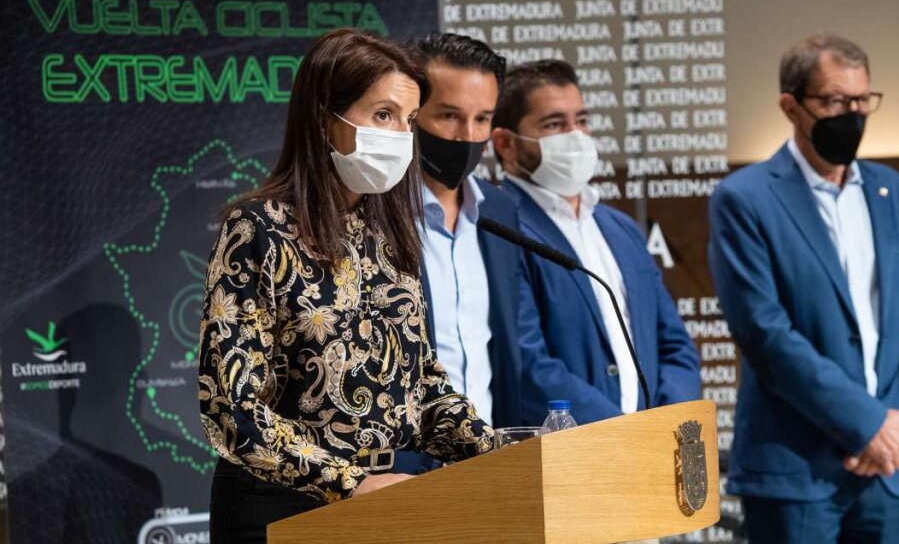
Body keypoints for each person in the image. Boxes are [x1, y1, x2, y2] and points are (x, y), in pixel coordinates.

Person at [197, 29, 494, 544]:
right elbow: (232, 409)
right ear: (322, 118)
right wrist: (349, 483)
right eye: (383, 115)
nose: (400, 135)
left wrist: (504, 453)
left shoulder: (390, 234)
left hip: (387, 503)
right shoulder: (258, 229)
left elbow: (422, 387)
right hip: (282, 511)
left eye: (408, 120)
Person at [708, 33, 899, 543]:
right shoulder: (744, 199)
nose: (852, 115)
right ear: (791, 107)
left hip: (887, 468)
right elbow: (765, 334)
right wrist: (868, 424)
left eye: (862, 101)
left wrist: (895, 425)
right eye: (835, 101)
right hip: (795, 470)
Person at [490, 59, 701, 427]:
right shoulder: (499, 229)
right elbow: (526, 364)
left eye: (582, 120)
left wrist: (665, 428)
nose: (576, 136)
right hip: (564, 449)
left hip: (650, 446)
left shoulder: (621, 228)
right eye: (554, 124)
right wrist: (621, 436)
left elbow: (675, 345)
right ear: (506, 144)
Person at [390, 34, 522, 476]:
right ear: (413, 116)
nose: (468, 137)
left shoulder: (500, 211)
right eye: (449, 116)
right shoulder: (373, 213)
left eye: (482, 119)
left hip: (491, 468)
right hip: (402, 475)